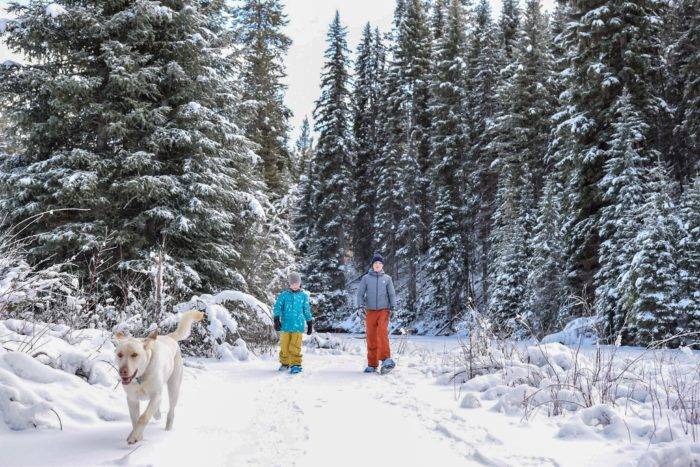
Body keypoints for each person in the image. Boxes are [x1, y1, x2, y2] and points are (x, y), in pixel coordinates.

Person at [356, 254, 396, 374]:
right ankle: (372, 364)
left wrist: (393, 308)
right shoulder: (366, 278)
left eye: (379, 263)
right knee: (371, 336)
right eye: (375, 263)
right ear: (372, 265)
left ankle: (386, 359)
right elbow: (360, 294)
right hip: (370, 311)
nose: (377, 265)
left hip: (384, 310)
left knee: (382, 332)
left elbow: (392, 294)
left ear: (382, 265)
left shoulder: (387, 279)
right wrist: (360, 307)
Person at [273, 272, 313, 374]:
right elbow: (277, 307)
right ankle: (285, 363)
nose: (295, 286)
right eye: (293, 284)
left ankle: (296, 364)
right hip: (285, 326)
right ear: (289, 284)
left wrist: (309, 323)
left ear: (300, 284)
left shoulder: (303, 296)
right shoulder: (284, 295)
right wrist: (276, 319)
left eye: (297, 283)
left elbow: (306, 310)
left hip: (298, 326)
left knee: (295, 346)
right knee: (284, 346)